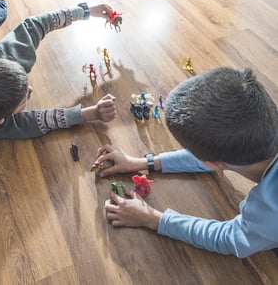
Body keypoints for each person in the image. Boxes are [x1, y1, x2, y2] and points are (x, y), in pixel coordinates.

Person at [95, 67, 278, 258]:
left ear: (213, 165)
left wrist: (152, 218)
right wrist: (140, 163)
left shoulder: (271, 212)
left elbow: (229, 238)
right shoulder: (267, 119)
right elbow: (212, 152)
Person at [0, 0, 116, 139]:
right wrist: (90, 113)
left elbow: (38, 24)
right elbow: (31, 123)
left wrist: (85, 11)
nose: (29, 89)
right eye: (23, 99)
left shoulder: (7, 56)